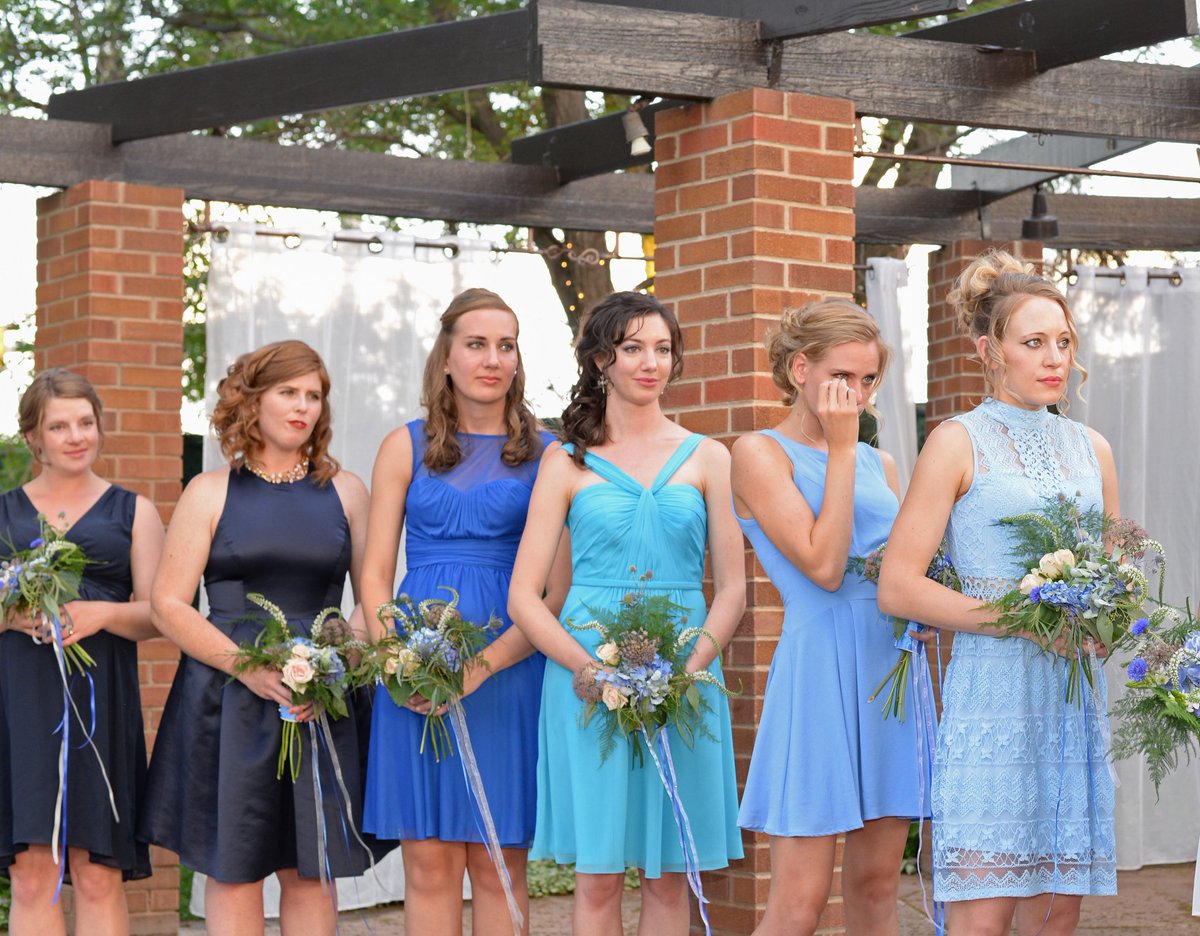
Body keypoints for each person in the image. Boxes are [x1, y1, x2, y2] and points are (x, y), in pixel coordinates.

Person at [878, 250, 1119, 936]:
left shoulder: (1092, 449)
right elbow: (897, 585)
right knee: (983, 920)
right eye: (1033, 342)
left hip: (1071, 701)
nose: (1053, 359)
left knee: (1056, 915)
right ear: (990, 350)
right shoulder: (955, 442)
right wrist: (1021, 621)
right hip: (992, 699)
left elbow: (1112, 575)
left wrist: (1106, 626)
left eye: (1063, 342)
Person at [508, 291, 745, 935]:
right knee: (597, 883)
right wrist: (591, 672)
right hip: (585, 682)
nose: (651, 363)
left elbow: (731, 590)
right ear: (599, 360)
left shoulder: (709, 456)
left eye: (663, 348)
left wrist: (686, 671)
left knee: (670, 882)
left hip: (684, 680)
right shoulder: (564, 461)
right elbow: (524, 598)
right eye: (633, 347)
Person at [138, 340, 380, 936]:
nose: (302, 407)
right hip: (229, 700)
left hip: (319, 699)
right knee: (235, 870)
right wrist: (246, 668)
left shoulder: (347, 491)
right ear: (253, 399)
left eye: (314, 396)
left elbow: (374, 597)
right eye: (287, 392)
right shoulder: (211, 491)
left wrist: (336, 656)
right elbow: (168, 603)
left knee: (311, 868)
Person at [361, 287, 565, 936]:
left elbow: (554, 591)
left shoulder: (550, 452)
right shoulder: (404, 445)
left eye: (506, 345)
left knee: (498, 859)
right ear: (446, 356)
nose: (493, 359)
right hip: (415, 665)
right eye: (477, 344)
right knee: (427, 861)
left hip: (507, 668)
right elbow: (373, 573)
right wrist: (395, 661)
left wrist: (482, 664)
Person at [731, 299, 922, 935]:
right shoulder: (758, 454)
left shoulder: (882, 464)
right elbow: (824, 567)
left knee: (874, 889)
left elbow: (897, 570)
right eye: (845, 378)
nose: (859, 395)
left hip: (888, 671)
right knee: (799, 904)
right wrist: (843, 450)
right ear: (799, 368)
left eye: (869, 381)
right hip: (819, 671)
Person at [0, 368, 164, 936]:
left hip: (100, 709)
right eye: (60, 426)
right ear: (33, 438)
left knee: (97, 873)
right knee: (32, 875)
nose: (76, 436)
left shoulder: (134, 512)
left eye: (86, 423)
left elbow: (159, 615)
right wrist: (10, 615)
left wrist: (103, 614)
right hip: (19, 707)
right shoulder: (3, 513)